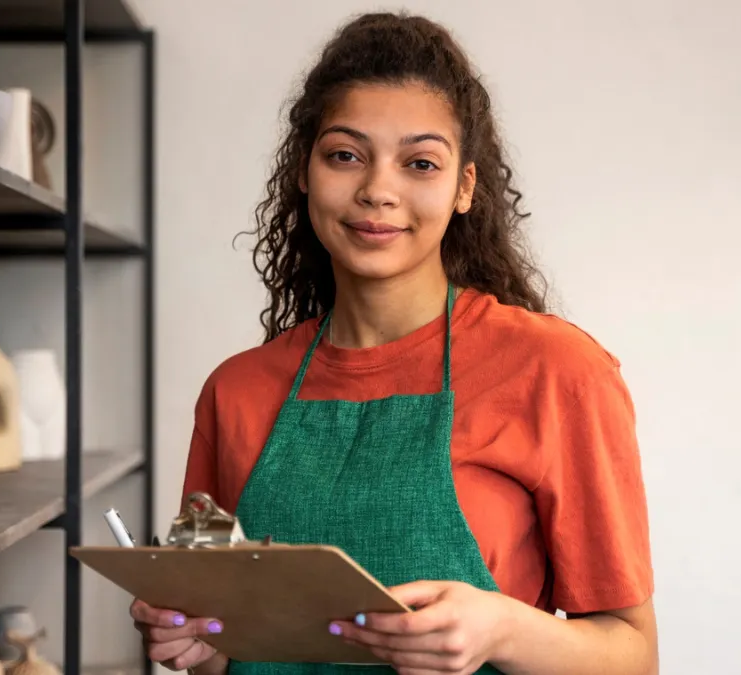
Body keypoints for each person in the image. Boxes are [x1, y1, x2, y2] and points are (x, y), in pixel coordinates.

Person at [131, 11, 657, 675]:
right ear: (304, 170)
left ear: (464, 186)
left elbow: (634, 655)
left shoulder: (557, 372)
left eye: (420, 163)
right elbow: (222, 642)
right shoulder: (234, 390)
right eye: (345, 155)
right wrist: (194, 644)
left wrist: (503, 628)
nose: (379, 190)